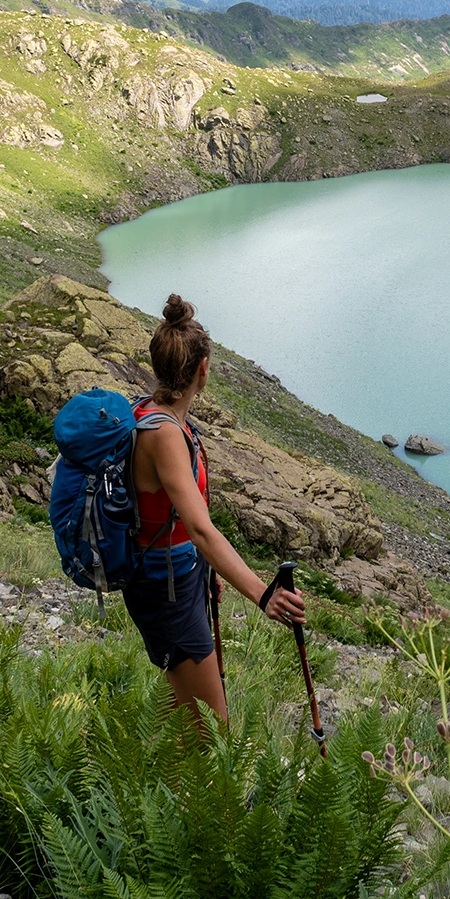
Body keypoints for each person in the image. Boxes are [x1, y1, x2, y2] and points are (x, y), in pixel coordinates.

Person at [128, 294, 305, 720]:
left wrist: (204, 572)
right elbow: (201, 528)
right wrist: (263, 595)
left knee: (185, 719)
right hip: (165, 591)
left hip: (178, 577)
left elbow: (174, 520)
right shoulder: (165, 435)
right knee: (212, 732)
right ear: (203, 369)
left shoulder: (152, 412)